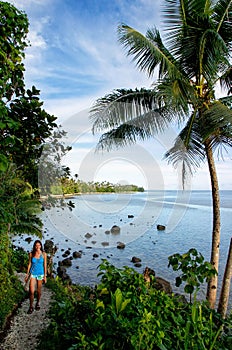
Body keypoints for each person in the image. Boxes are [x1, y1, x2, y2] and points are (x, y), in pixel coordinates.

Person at [25, 240, 47, 314]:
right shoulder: (31, 254)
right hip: (33, 274)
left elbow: (45, 266)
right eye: (36, 245)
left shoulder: (44, 254)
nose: (38, 247)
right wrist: (27, 274)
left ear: (41, 246)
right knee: (31, 291)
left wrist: (45, 276)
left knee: (39, 291)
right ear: (34, 246)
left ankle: (37, 303)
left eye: (39, 245)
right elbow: (29, 264)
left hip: (40, 274)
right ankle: (31, 306)